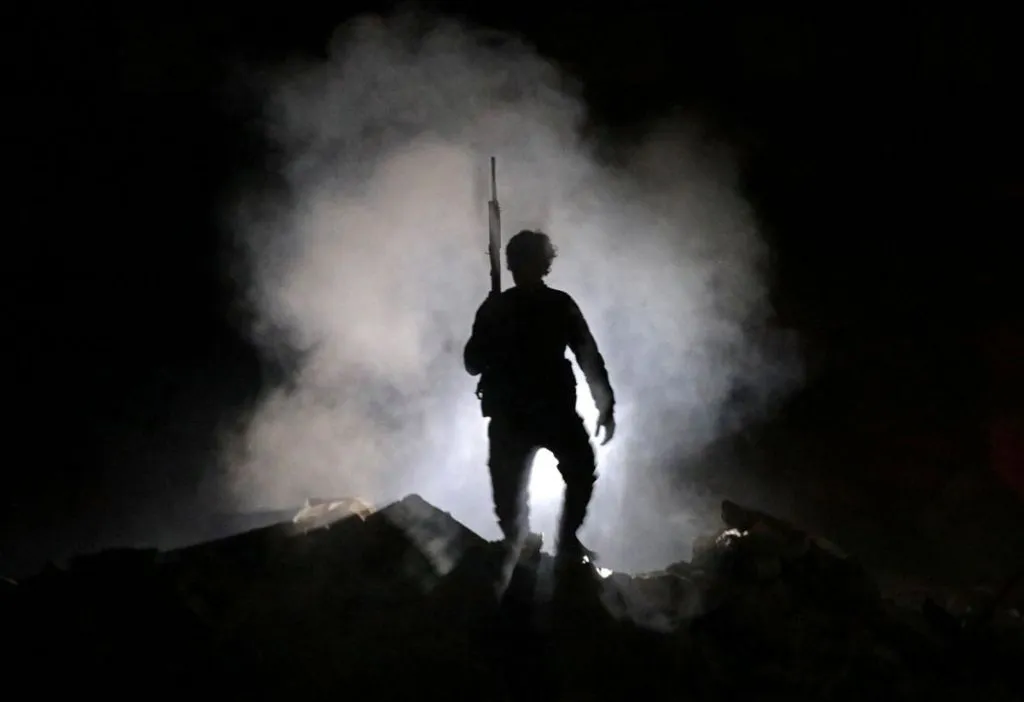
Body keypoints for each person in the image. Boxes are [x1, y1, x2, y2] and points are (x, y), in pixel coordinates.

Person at [463, 229, 616, 584]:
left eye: (527, 261)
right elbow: (473, 362)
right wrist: (489, 327)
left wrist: (605, 404)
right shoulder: (509, 306)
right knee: (512, 494)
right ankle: (529, 546)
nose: (523, 268)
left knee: (578, 470)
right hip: (522, 413)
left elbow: (588, 355)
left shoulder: (552, 305)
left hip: (543, 411)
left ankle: (561, 542)